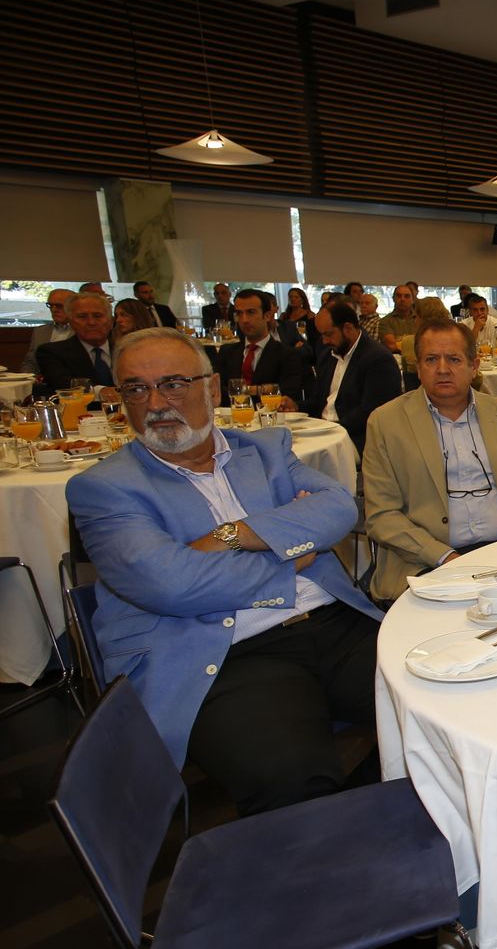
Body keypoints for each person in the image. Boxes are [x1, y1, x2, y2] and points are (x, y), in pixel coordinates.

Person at [66, 327, 382, 816]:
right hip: (220, 653)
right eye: (135, 388)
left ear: (211, 388)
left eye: (173, 383)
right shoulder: (103, 489)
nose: (155, 402)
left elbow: (338, 508)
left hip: (331, 621)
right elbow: (170, 584)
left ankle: (397, 820)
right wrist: (287, 554)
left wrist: (230, 535)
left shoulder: (267, 450)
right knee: (292, 780)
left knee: (447, 705)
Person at [361, 318, 497, 601]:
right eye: (431, 359)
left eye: (454, 359)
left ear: (474, 365)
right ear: (417, 368)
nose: (443, 369)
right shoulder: (386, 422)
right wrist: (445, 557)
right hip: (424, 561)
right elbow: (382, 516)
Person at [301, 302, 401, 455]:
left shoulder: (378, 359)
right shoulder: (329, 355)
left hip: (358, 439)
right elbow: (320, 400)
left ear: (348, 328)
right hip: (327, 432)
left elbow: (372, 413)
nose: (324, 341)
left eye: (328, 334)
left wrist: (328, 430)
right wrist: (295, 406)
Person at [218, 289, 308, 407]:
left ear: (267, 316)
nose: (244, 320)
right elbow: (217, 392)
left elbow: (287, 394)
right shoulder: (227, 352)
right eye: (239, 313)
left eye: (251, 312)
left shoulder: (287, 354)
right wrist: (260, 390)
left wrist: (245, 390)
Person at [37, 291, 116, 392]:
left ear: (111, 321)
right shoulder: (52, 352)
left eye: (97, 316)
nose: (91, 322)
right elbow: (63, 384)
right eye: (82, 316)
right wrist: (103, 392)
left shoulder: (126, 349)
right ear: (71, 322)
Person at [24, 288, 77, 372]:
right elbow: (29, 362)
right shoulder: (40, 331)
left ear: (74, 307)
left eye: (59, 306)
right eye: (51, 305)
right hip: (41, 381)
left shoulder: (82, 331)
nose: (54, 310)